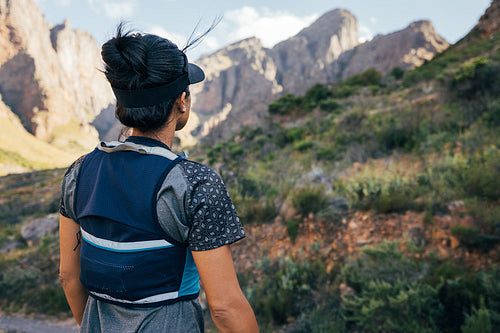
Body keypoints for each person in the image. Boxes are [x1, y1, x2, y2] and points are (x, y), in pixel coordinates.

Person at [58, 24, 259, 333]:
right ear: (182, 101)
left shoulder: (79, 172)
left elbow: (68, 277)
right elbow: (225, 307)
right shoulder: (194, 184)